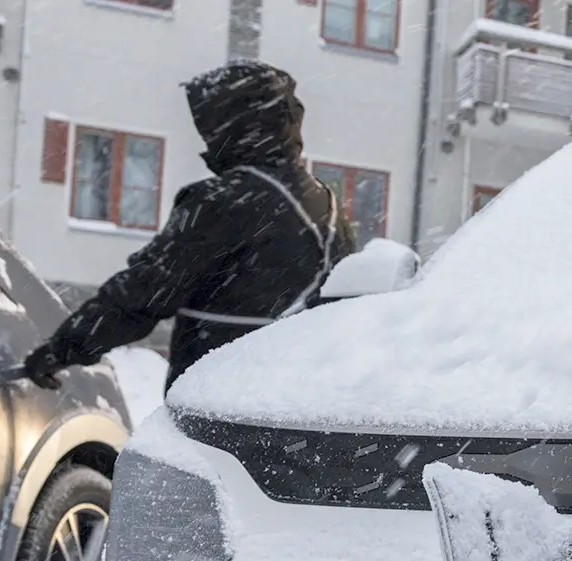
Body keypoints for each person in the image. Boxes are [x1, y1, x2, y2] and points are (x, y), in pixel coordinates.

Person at [23, 62, 354, 386]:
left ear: (233, 125)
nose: (206, 138)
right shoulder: (328, 205)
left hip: (217, 401)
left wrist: (64, 348)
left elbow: (147, 290)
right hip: (298, 398)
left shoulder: (224, 200)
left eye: (210, 125)